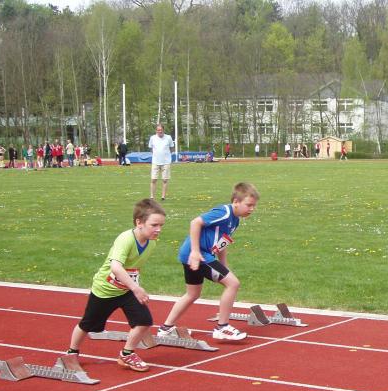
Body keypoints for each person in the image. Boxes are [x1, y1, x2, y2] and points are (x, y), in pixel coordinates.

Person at [66, 198, 167, 372]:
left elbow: (132, 267)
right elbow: (116, 267)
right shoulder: (125, 239)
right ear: (139, 223)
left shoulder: (151, 242)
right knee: (88, 324)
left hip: (126, 290)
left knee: (144, 321)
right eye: (154, 225)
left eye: (161, 225)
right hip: (105, 290)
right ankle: (71, 352)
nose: (158, 229)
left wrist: (133, 286)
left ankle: (126, 354)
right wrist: (136, 288)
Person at [157, 182, 260, 342]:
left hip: (193, 254)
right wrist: (195, 252)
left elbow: (222, 242)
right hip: (199, 255)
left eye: (254, 206)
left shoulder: (235, 220)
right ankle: (222, 327)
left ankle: (165, 329)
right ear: (236, 202)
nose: (252, 209)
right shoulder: (224, 212)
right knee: (233, 284)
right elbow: (195, 222)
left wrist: (223, 264)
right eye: (249, 205)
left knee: (192, 294)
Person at [148, 123, 174, 202]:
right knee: (153, 179)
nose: (160, 131)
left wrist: (167, 156)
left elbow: (171, 148)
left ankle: (163, 197)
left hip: (166, 162)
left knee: (165, 180)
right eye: (158, 130)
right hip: (155, 162)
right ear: (156, 130)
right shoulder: (152, 138)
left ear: (163, 130)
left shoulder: (168, 137)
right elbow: (151, 148)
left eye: (161, 130)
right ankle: (152, 197)